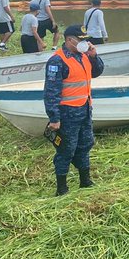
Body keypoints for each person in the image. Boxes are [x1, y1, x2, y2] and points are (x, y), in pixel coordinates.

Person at [44, 24, 104, 196]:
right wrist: (54, 118)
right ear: (70, 40)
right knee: (66, 150)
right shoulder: (57, 60)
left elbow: (97, 72)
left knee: (85, 145)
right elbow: (51, 92)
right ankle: (61, 188)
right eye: (81, 40)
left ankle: (85, 181)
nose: (85, 43)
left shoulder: (84, 56)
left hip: (84, 110)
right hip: (67, 114)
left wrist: (94, 56)